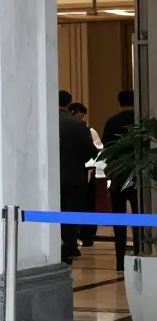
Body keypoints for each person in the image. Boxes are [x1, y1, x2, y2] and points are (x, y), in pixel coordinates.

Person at [58, 90, 96, 263]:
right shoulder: (78, 125)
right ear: (68, 103)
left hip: (50, 178)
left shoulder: (43, 121)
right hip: (75, 177)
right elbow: (90, 153)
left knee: (52, 212)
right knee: (72, 213)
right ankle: (70, 246)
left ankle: (55, 247)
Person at [103, 89, 138, 271]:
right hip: (137, 173)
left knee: (118, 218)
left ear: (119, 102)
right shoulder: (140, 121)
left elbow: (107, 147)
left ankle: (119, 260)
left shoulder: (111, 122)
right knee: (139, 217)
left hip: (117, 175)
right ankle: (140, 252)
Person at [68, 101, 103, 245]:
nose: (82, 120)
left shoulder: (89, 131)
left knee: (85, 206)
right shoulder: (80, 130)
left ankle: (85, 236)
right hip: (79, 175)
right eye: (80, 116)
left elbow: (98, 151)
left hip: (85, 174)